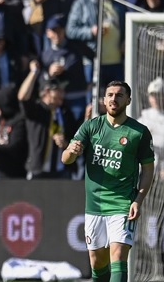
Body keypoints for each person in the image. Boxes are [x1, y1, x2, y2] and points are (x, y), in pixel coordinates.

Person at [61, 80, 155, 282]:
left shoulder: (139, 132)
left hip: (123, 203)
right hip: (94, 205)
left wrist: (138, 200)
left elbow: (148, 169)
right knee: (97, 262)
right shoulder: (91, 127)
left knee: (118, 256)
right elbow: (66, 158)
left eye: (119, 95)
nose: (114, 99)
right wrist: (71, 151)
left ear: (128, 100)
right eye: (110, 95)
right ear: (104, 100)